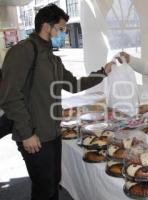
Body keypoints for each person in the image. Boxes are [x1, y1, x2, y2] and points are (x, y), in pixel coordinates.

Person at [0, 4, 113, 200]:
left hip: (52, 132)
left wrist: (102, 72)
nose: (63, 33)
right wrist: (27, 134)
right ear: (46, 27)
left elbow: (73, 84)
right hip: (34, 135)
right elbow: (10, 97)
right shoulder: (23, 52)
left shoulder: (52, 59)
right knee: (44, 188)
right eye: (61, 29)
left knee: (53, 183)